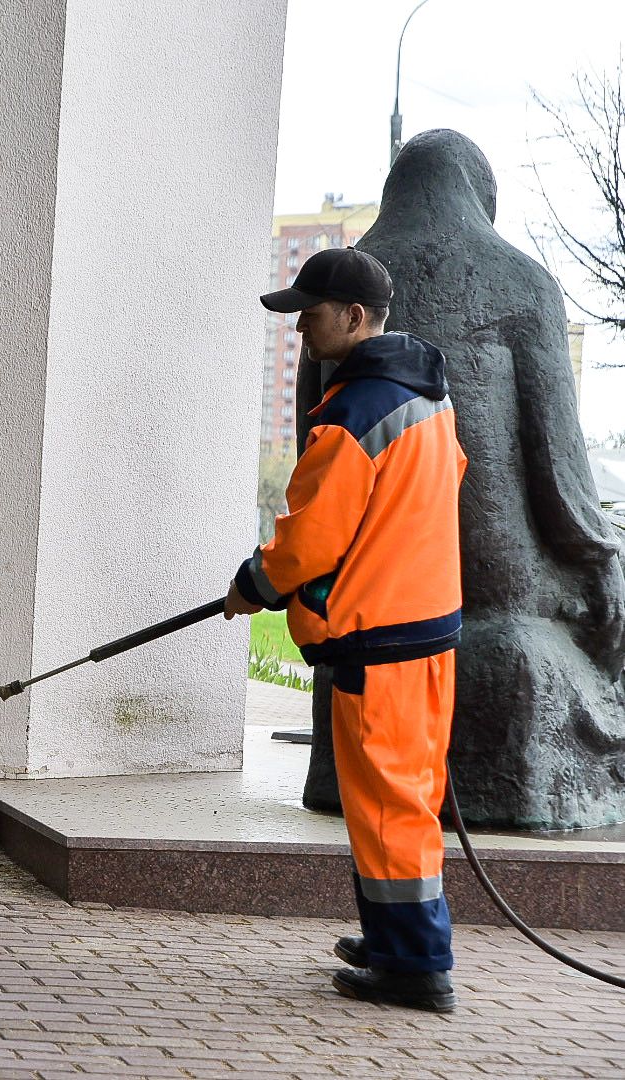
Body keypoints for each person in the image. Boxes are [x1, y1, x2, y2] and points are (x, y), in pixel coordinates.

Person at [225, 247, 467, 1012]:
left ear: (354, 317)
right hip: (425, 630)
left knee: (389, 804)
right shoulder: (425, 397)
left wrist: (254, 585)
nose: (301, 328)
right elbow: (431, 491)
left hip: (380, 639)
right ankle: (394, 938)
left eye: (312, 313)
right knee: (405, 796)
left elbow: (311, 539)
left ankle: (414, 967)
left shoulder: (353, 414)